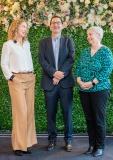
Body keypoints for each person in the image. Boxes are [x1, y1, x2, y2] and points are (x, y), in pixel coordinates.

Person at [75, 26, 113, 157]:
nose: (88, 37)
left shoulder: (105, 51)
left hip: (99, 89)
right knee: (89, 119)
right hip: (84, 90)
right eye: (87, 35)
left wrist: (92, 82)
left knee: (98, 119)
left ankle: (100, 146)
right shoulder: (85, 51)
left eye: (90, 34)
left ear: (98, 35)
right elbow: (79, 67)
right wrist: (79, 81)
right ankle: (91, 145)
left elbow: (107, 70)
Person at [38, 15, 75, 152]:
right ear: (50, 26)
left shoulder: (68, 41)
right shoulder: (43, 43)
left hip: (65, 83)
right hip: (49, 83)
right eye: (53, 23)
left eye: (58, 23)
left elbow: (71, 59)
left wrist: (59, 75)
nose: (56, 25)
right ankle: (52, 140)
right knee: (50, 114)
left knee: (67, 113)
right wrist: (54, 73)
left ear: (62, 25)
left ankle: (69, 140)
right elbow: (42, 61)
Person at [1, 19, 37, 156]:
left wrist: (32, 75)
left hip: (30, 78)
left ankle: (26, 144)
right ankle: (18, 145)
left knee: (28, 112)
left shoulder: (27, 44)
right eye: (23, 26)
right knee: (20, 112)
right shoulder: (8, 45)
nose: (25, 29)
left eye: (26, 27)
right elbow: (4, 63)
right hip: (16, 79)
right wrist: (11, 77)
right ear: (15, 27)